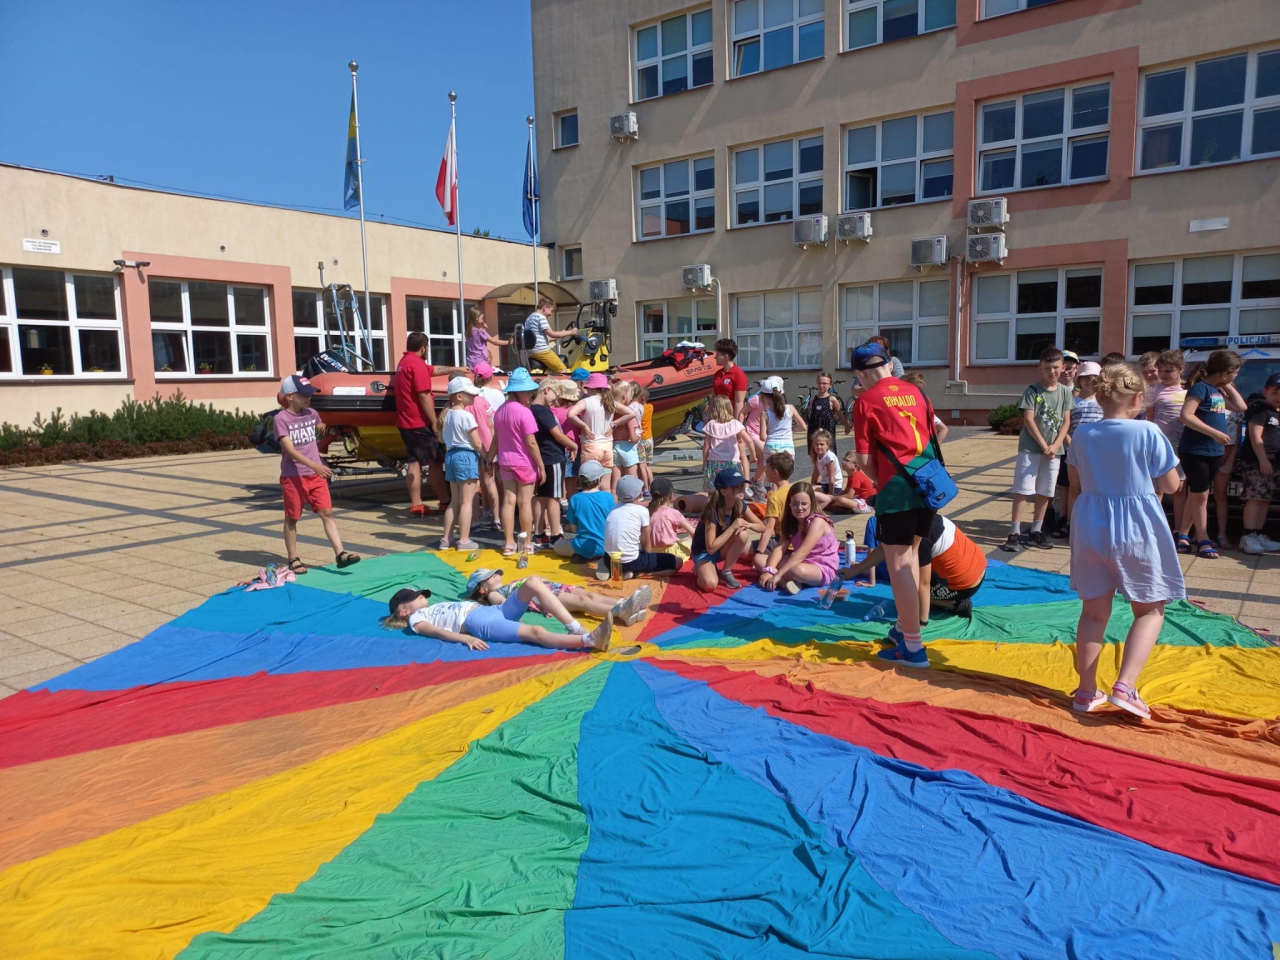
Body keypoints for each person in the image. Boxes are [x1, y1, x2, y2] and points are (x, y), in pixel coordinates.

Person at [1066, 362, 1184, 719]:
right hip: (1137, 525)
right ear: (1137, 397)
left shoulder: (1083, 434)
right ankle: (1125, 686)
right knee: (1149, 609)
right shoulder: (1147, 432)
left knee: (1092, 613)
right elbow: (1170, 486)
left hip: (1090, 522)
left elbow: (1076, 484)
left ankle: (1087, 692)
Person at [850, 342, 937, 668]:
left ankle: (913, 647)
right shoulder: (918, 393)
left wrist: (882, 480)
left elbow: (862, 459)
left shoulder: (866, 401)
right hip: (928, 486)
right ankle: (905, 627)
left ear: (860, 373)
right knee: (911, 555)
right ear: (889, 363)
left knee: (899, 562)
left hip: (897, 490)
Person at [274, 375, 360, 575]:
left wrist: (334, 428)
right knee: (292, 517)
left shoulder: (312, 413)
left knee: (327, 513)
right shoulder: (281, 419)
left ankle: (340, 554)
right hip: (294, 477)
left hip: (315, 476)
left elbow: (319, 431)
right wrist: (316, 465)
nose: (308, 398)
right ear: (290, 397)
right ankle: (293, 558)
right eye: (304, 395)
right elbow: (290, 449)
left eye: (309, 394)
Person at [384, 581, 613, 653]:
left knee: (532, 582)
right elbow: (435, 632)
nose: (422, 598)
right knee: (535, 632)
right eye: (416, 597)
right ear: (404, 611)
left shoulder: (431, 608)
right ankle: (589, 641)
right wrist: (465, 639)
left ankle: (575, 628)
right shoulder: (415, 620)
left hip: (493, 612)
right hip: (478, 622)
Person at [844, 513, 986, 621]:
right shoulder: (921, 518)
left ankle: (955, 605)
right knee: (904, 579)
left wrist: (919, 624)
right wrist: (856, 570)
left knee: (902, 584)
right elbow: (885, 547)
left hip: (965, 585)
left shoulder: (920, 540)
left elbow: (922, 584)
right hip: (977, 567)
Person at [1176, 350, 1246, 559]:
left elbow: (1241, 407)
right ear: (1225, 372)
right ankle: (1204, 538)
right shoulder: (1200, 388)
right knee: (1201, 496)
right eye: (1235, 373)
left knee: (1197, 495)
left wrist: (1226, 384)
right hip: (1195, 450)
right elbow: (1186, 416)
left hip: (1214, 452)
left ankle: (1183, 535)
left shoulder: (1218, 391)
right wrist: (1215, 433)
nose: (1236, 377)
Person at [1001, 347, 1072, 552]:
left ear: (1062, 367)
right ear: (1040, 368)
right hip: (1031, 450)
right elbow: (1029, 419)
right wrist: (1043, 444)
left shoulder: (1065, 392)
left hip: (1054, 451)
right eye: (1047, 367)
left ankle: (1036, 530)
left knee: (1046, 491)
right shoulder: (1032, 391)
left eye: (1056, 367)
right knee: (1023, 490)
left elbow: (1066, 421)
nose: (1052, 371)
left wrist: (1057, 444)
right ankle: (1014, 531)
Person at [467, 567, 652, 627]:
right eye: (489, 577)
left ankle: (625, 604)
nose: (495, 575)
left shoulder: (509, 583)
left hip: (552, 587)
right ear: (482, 589)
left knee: (589, 595)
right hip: (544, 597)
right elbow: (507, 606)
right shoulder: (494, 594)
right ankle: (620, 610)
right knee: (583, 603)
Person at [489, 367, 545, 557]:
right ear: (519, 391)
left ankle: (508, 543)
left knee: (509, 501)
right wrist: (541, 466)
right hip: (524, 462)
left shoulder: (499, 412)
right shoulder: (524, 412)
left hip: (505, 461)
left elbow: (496, 441)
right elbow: (531, 442)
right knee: (525, 502)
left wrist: (488, 459)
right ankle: (527, 542)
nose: (530, 394)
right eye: (528, 391)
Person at [395, 332, 448, 516]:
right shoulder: (417, 365)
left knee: (414, 461)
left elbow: (433, 370)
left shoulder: (404, 363)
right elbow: (424, 395)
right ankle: (444, 501)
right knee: (435, 462)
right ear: (424, 347)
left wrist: (456, 367)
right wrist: (434, 422)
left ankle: (417, 504)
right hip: (420, 422)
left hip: (405, 422)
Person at [758, 482, 840, 595]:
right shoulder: (792, 523)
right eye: (795, 504)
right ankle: (785, 583)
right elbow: (779, 548)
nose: (799, 508)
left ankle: (783, 580)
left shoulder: (817, 522)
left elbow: (803, 551)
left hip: (820, 568)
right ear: (789, 504)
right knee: (759, 559)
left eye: (804, 504)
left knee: (796, 570)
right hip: (800, 561)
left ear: (812, 503)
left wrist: (777, 574)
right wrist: (769, 570)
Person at [598, 475, 684, 580]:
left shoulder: (613, 510)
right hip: (631, 561)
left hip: (610, 558)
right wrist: (648, 559)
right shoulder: (642, 511)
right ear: (639, 494)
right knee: (678, 562)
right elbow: (645, 540)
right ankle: (637, 573)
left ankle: (611, 568)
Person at [1054, 360, 1104, 539]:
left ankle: (1092, 524)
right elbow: (1065, 426)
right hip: (1074, 451)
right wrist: (1071, 445)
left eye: (1094, 378)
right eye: (1086, 378)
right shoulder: (1072, 402)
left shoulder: (1103, 402)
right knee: (1075, 489)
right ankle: (1071, 523)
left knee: (1094, 489)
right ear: (1079, 380)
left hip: (1097, 452)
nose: (1090, 381)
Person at [692, 466, 761, 592]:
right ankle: (699, 571)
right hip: (704, 552)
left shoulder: (739, 504)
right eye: (736, 487)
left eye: (741, 486)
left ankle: (726, 571)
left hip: (722, 548)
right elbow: (711, 549)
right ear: (724, 492)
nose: (741, 489)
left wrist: (749, 525)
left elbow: (762, 526)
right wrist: (734, 526)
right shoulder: (712, 512)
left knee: (743, 535)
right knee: (710, 585)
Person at [567, 372, 634, 493]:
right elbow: (631, 413)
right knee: (606, 486)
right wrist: (614, 424)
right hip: (607, 447)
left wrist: (584, 426)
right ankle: (607, 509)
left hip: (591, 446)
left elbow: (570, 414)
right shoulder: (610, 402)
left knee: (589, 486)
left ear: (591, 388)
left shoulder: (586, 402)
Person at [438, 376, 484, 551]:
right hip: (466, 456)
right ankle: (464, 540)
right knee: (467, 501)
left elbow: (442, 438)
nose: (473, 397)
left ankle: (446, 539)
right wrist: (487, 456)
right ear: (458, 396)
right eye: (469, 394)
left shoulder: (446, 415)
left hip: (450, 456)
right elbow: (477, 443)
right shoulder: (466, 416)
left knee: (454, 501)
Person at [531, 379, 577, 549]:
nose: (555, 400)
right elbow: (557, 434)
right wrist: (573, 445)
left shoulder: (531, 410)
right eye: (555, 396)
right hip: (553, 456)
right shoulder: (543, 411)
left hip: (541, 457)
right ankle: (555, 534)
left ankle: (539, 532)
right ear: (546, 390)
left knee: (540, 497)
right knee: (554, 497)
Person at [1237, 372, 1280, 555]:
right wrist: (1262, 459)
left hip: (1274, 463)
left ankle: (1258, 533)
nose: (1278, 397)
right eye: (1275, 392)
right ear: (1265, 391)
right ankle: (1248, 535)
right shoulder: (1259, 410)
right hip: (1257, 461)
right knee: (1255, 498)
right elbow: (1255, 436)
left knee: (1265, 499)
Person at [1148, 350, 1189, 533]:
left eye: (1168, 371)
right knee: (1157, 488)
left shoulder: (1189, 390)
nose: (1163, 375)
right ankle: (1154, 529)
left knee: (1179, 489)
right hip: (1159, 444)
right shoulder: (1155, 389)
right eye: (1161, 370)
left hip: (1182, 444)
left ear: (1181, 369)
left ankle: (1180, 531)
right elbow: (1149, 417)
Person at [553, 460, 613, 561]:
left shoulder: (575, 499)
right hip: (607, 547)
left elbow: (573, 528)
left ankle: (585, 556)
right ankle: (594, 557)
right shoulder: (608, 497)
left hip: (583, 545)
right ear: (599, 480)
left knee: (557, 546)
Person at [470, 361, 504, 528]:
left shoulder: (472, 396)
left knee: (479, 481)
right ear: (491, 376)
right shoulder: (497, 394)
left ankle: (483, 511)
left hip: (473, 443)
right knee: (495, 479)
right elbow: (493, 421)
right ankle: (499, 514)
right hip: (490, 440)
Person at [752, 451, 794, 572]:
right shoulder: (795, 489)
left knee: (743, 549)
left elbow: (768, 529)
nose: (765, 471)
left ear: (775, 473)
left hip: (781, 541)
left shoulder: (774, 497)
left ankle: (771, 566)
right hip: (795, 542)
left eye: (767, 469)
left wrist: (758, 553)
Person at [702, 394, 748, 491]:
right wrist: (753, 454)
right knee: (732, 489)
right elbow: (749, 440)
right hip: (732, 462)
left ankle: (714, 505)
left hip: (714, 462)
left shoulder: (711, 424)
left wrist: (704, 463)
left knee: (713, 490)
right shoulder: (735, 424)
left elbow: (706, 445)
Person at [523, 296, 576, 374]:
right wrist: (571, 332)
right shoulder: (541, 317)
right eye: (551, 310)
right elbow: (552, 334)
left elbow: (543, 338)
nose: (551, 314)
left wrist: (562, 333)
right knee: (562, 369)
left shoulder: (530, 318)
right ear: (545, 307)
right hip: (542, 350)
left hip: (531, 352)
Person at [759, 377, 806, 463]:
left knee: (770, 475)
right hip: (788, 447)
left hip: (771, 447)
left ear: (764, 396)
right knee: (785, 474)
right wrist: (790, 429)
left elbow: (762, 437)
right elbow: (803, 427)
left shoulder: (765, 414)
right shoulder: (790, 408)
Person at [648, 476, 696, 560]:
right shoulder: (673, 513)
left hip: (651, 552)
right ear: (671, 495)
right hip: (670, 553)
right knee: (689, 539)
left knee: (678, 539)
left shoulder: (646, 512)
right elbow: (694, 533)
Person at [814, 449, 876, 514]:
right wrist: (834, 496)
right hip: (858, 499)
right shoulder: (852, 475)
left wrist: (833, 498)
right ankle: (838, 507)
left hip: (866, 504)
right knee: (838, 500)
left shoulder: (856, 477)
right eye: (844, 459)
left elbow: (849, 495)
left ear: (855, 466)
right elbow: (846, 491)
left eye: (847, 461)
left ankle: (832, 506)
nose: (843, 462)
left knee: (841, 500)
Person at [900, 373, 950, 442]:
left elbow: (943, 429)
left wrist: (935, 449)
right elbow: (943, 429)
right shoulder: (923, 407)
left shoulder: (922, 408)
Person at [806, 372, 846, 457]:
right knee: (816, 455)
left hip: (827, 430)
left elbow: (840, 414)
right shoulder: (813, 399)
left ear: (830, 385)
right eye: (819, 383)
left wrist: (846, 425)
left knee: (828, 455)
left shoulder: (832, 399)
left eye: (824, 383)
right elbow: (811, 414)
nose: (821, 386)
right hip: (815, 429)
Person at [612, 381, 643, 486]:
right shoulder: (628, 414)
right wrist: (638, 438)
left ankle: (615, 501)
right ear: (624, 396)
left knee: (616, 482)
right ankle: (634, 500)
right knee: (632, 481)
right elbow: (633, 438)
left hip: (614, 446)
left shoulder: (612, 412)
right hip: (627, 448)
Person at [712, 338, 748, 419]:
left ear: (725, 357)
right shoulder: (717, 374)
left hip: (730, 419)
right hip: (718, 418)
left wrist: (737, 425)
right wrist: (708, 417)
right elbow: (714, 397)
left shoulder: (738, 374)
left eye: (717, 355)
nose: (715, 357)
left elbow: (739, 402)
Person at [466, 304, 509, 370]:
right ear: (476, 318)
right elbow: (495, 342)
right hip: (481, 360)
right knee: (485, 378)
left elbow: (477, 341)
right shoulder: (480, 331)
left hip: (471, 361)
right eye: (482, 318)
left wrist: (483, 328)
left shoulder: (468, 331)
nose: (483, 320)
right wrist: (509, 342)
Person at [634, 383, 655, 498]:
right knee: (647, 465)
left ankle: (645, 488)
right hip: (649, 439)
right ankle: (652, 486)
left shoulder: (639, 409)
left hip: (641, 439)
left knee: (641, 466)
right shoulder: (650, 407)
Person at [810, 429, 842, 494]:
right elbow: (815, 474)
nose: (819, 447)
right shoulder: (817, 456)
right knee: (808, 490)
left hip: (834, 486)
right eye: (816, 444)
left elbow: (832, 479)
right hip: (824, 484)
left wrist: (830, 495)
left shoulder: (829, 457)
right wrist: (812, 484)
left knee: (813, 493)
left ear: (827, 445)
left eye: (822, 444)